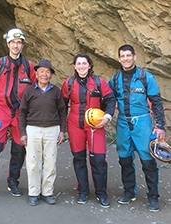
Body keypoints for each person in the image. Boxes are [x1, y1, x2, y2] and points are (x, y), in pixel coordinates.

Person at [0, 28, 36, 199]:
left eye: (19, 43)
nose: (16, 45)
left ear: (22, 45)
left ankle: (13, 182)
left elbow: (33, 91)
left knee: (19, 150)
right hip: (1, 111)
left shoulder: (28, 66)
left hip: (20, 113)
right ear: (8, 44)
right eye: (13, 42)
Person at [108, 44, 165, 212]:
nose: (125, 58)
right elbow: (108, 97)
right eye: (122, 56)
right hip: (123, 123)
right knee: (124, 159)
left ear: (134, 57)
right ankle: (128, 192)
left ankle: (153, 197)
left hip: (143, 123)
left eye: (128, 55)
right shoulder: (116, 78)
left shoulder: (146, 77)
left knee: (148, 161)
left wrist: (160, 125)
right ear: (119, 58)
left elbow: (156, 102)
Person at [61, 53, 116, 208]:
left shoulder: (99, 82)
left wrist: (108, 117)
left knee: (98, 160)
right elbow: (63, 105)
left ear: (90, 65)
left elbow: (111, 99)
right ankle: (83, 191)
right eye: (78, 64)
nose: (81, 66)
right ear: (74, 66)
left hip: (95, 126)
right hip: (75, 125)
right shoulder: (69, 83)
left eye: (84, 63)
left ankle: (101, 193)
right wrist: (62, 127)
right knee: (79, 159)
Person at [19, 59, 66, 206]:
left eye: (47, 72)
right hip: (32, 129)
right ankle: (34, 192)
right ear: (36, 74)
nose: (44, 74)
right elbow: (22, 113)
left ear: (51, 75)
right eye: (41, 71)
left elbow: (62, 112)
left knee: (50, 162)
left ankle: (47, 192)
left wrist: (62, 131)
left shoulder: (56, 91)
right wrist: (23, 132)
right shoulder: (29, 91)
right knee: (33, 162)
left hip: (52, 129)